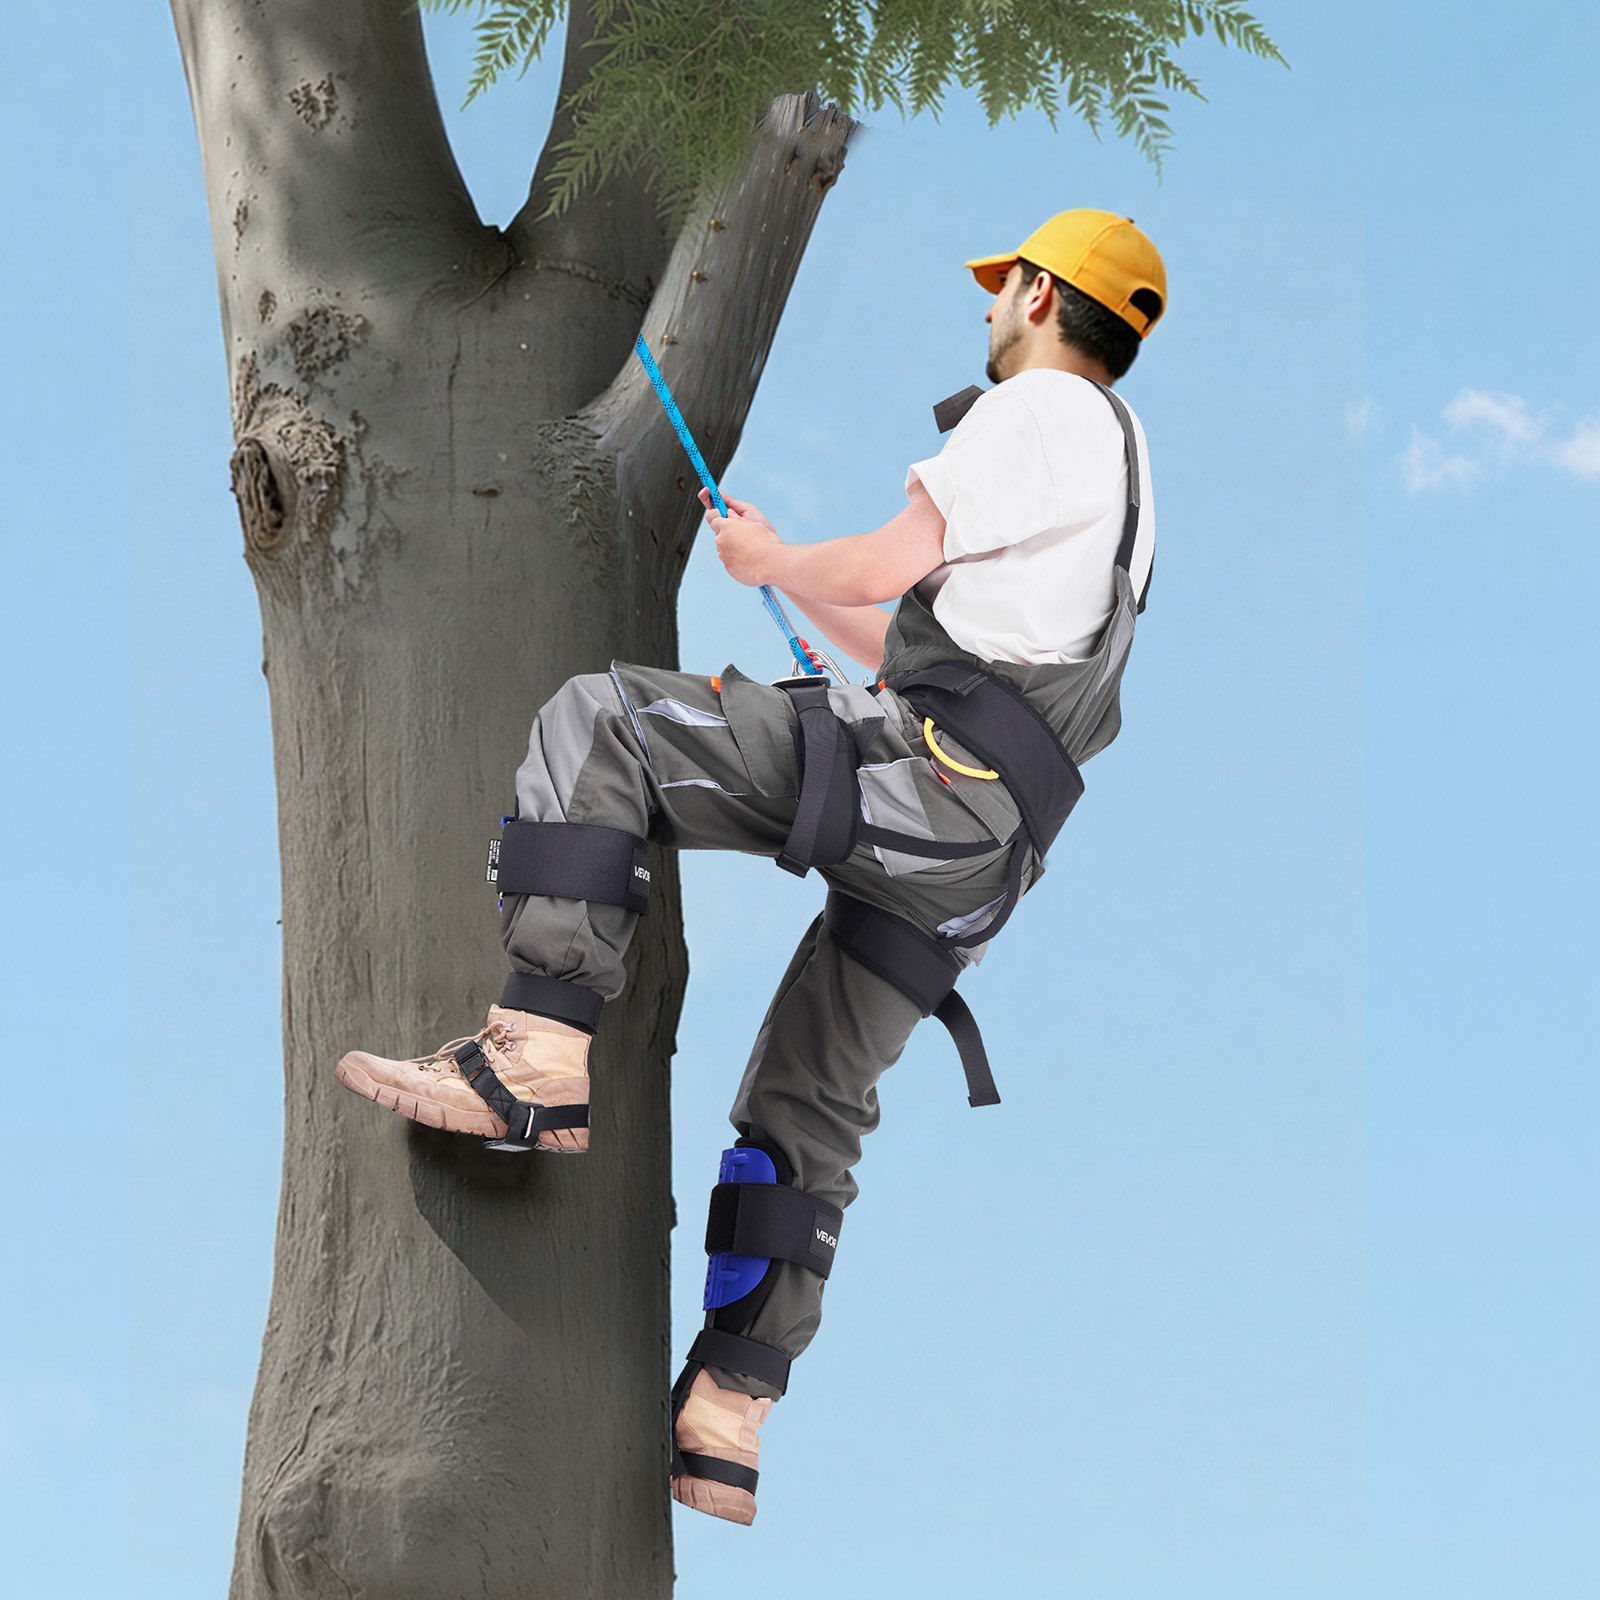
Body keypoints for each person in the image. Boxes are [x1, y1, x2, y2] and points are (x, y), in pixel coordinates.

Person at [335, 208, 1165, 1525]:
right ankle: (728, 1412)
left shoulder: (1040, 413)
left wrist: (778, 561)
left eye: (1005, 286)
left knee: (604, 726)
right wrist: (775, 568)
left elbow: (895, 560)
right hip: (982, 850)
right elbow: (905, 630)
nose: (990, 307)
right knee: (806, 1109)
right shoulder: (1124, 495)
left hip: (925, 775)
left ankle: (534, 1053)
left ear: (1049, 298)